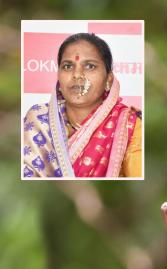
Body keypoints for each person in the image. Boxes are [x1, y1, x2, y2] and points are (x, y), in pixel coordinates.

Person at [23, 33, 142, 178]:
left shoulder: (129, 126)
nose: (77, 74)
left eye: (90, 66)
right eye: (67, 66)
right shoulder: (38, 120)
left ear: (108, 80)